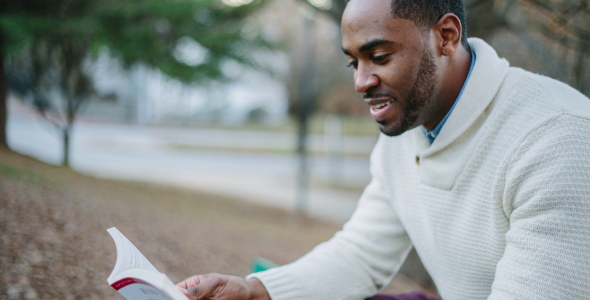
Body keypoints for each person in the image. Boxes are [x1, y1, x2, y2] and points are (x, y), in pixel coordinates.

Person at [177, 0, 590, 299]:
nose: (361, 82)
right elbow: (360, 256)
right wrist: (253, 291)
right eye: (353, 62)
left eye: (378, 56)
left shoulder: (557, 140)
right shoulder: (408, 127)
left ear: (446, 36)